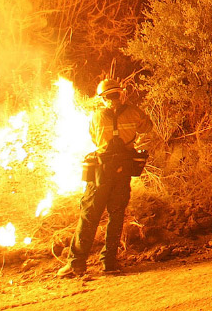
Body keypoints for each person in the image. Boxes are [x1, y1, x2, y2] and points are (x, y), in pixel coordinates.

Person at [57, 77, 153, 278]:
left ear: (102, 98)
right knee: (116, 216)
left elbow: (94, 138)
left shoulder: (96, 116)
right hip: (123, 170)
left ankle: (76, 263)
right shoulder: (134, 113)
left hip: (101, 172)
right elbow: (147, 127)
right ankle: (109, 263)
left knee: (90, 215)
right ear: (122, 94)